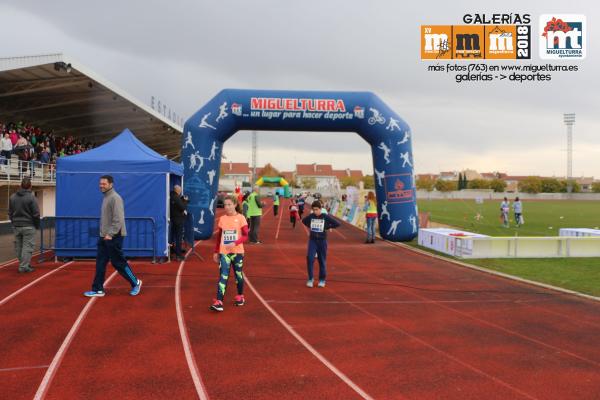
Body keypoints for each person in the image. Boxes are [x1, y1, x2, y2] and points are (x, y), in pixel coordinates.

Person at [84, 175, 142, 297]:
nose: (101, 185)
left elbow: (118, 219)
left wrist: (110, 234)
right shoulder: (106, 197)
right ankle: (98, 289)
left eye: (104, 183)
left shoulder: (115, 198)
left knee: (119, 263)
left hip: (114, 237)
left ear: (111, 184)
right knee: (100, 263)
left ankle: (136, 282)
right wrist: (103, 234)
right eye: (100, 183)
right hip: (104, 236)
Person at [210, 196, 249, 312]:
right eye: (225, 205)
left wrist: (235, 243)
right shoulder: (222, 219)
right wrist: (216, 252)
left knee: (238, 275)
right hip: (224, 252)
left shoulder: (241, 218)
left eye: (229, 205)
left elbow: (246, 235)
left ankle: (240, 296)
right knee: (223, 276)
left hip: (237, 252)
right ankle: (219, 302)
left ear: (235, 205)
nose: (226, 207)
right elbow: (219, 237)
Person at [302, 200, 340, 288]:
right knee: (310, 258)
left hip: (322, 241)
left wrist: (327, 226)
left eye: (316, 210)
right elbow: (304, 221)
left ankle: (322, 280)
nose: (315, 211)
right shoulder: (311, 216)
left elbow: (337, 224)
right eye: (313, 210)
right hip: (313, 241)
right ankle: (310, 279)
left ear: (320, 209)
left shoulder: (325, 217)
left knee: (322, 260)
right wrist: (310, 225)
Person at [8, 177, 40, 273]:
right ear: (30, 186)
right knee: (27, 247)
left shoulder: (12, 197)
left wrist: (13, 222)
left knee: (19, 246)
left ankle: (23, 263)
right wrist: (36, 225)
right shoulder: (32, 197)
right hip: (29, 225)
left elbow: (10, 212)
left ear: (20, 185)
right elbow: (36, 214)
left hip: (16, 225)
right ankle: (23, 267)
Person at [170, 185, 187, 261]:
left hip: (173, 219)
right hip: (178, 220)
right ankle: (178, 255)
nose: (180, 192)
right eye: (180, 190)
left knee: (173, 237)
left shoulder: (171, 196)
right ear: (177, 190)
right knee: (178, 237)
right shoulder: (176, 197)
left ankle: (174, 251)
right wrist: (185, 201)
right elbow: (182, 207)